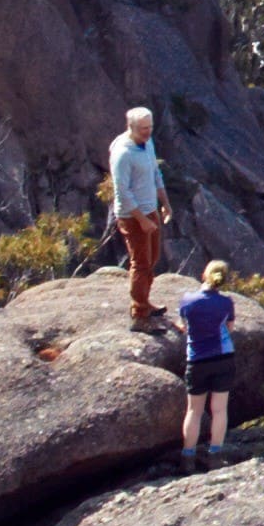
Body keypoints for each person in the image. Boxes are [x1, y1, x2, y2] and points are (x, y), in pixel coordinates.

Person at [174, 263, 248, 454]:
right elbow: (229, 328)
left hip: (197, 360)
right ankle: (215, 454)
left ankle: (188, 456)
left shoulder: (188, 300)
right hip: (223, 358)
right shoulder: (226, 302)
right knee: (219, 410)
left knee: (194, 411)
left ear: (203, 275)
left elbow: (184, 326)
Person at [108, 108, 169, 323]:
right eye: (143, 128)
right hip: (133, 216)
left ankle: (144, 301)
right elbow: (121, 192)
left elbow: (155, 173)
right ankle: (139, 313)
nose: (148, 132)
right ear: (131, 127)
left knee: (152, 259)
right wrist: (142, 220)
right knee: (141, 263)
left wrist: (165, 203)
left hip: (149, 209)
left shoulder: (147, 143)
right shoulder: (123, 153)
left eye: (150, 127)